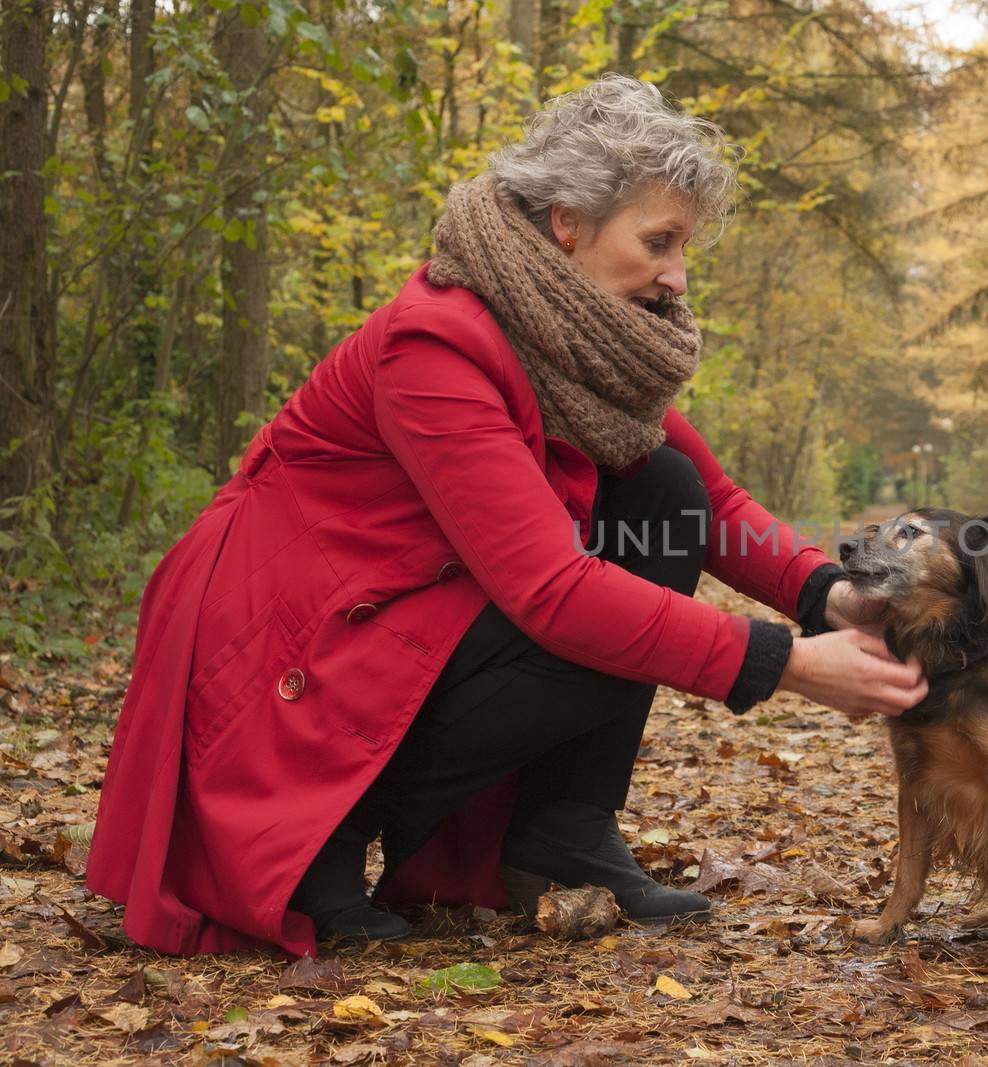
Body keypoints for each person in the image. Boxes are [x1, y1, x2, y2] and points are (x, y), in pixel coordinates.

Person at [84, 76, 927, 956]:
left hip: (399, 612)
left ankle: (560, 835)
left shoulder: (565, 333)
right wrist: (784, 664)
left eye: (685, 245)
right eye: (660, 241)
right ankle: (324, 837)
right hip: (289, 643)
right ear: (568, 222)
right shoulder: (437, 341)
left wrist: (829, 596)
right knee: (604, 614)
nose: (678, 275)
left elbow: (709, 502)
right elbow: (549, 587)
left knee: (663, 489)